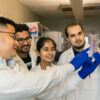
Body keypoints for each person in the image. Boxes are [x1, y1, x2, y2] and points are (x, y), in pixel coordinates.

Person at [0, 17, 99, 100]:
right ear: (68, 38)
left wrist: (80, 75)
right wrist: (71, 66)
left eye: (53, 49)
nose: (17, 43)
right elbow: (36, 83)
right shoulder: (8, 75)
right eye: (13, 37)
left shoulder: (11, 65)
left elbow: (52, 92)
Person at [31, 37, 100, 100]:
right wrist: (72, 66)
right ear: (38, 52)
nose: (50, 53)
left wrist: (81, 74)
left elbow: (65, 88)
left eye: (53, 49)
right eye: (46, 49)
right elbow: (43, 94)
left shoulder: (59, 70)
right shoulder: (32, 74)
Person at [58, 23, 100, 100]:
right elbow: (60, 83)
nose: (77, 38)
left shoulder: (96, 52)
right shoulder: (63, 57)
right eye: (73, 35)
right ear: (67, 38)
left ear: (84, 33)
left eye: (79, 33)